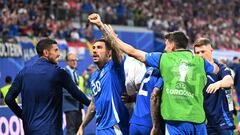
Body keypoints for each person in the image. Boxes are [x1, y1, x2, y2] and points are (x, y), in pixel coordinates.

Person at [86, 13, 219, 134]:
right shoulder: (200, 62)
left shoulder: (164, 59)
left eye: (166, 45)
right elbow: (215, 69)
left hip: (175, 120)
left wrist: (106, 31)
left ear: (172, 45)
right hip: (198, 119)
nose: (165, 48)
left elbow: (132, 52)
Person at [5, 38, 90, 135]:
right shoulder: (58, 72)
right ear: (46, 52)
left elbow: (8, 98)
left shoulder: (24, 72)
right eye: (56, 50)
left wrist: (23, 116)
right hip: (51, 130)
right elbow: (77, 94)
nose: (59, 54)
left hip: (30, 130)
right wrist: (94, 105)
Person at [77, 38, 129, 135]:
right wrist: (82, 126)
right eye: (94, 48)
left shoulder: (114, 67)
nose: (95, 50)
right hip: (100, 127)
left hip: (115, 125)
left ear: (109, 53)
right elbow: (93, 105)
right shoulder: (94, 76)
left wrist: (101, 26)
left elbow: (117, 51)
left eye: (99, 48)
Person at [193, 38, 234, 135]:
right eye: (197, 53)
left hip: (222, 120)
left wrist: (218, 83)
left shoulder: (220, 67)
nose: (200, 55)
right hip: (203, 121)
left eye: (203, 51)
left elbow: (229, 80)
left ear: (211, 50)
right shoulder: (194, 71)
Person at [129, 67, 163, 135]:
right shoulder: (163, 73)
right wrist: (155, 126)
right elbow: (154, 96)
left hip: (134, 122)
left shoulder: (149, 70)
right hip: (149, 124)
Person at [63, 53, 85, 135]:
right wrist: (78, 97)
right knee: (71, 129)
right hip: (70, 105)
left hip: (78, 105)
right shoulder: (64, 73)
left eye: (76, 60)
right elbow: (65, 91)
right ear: (67, 61)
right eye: (72, 60)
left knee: (79, 128)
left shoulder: (75, 72)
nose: (75, 62)